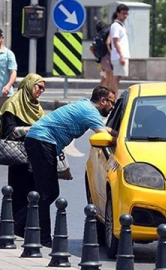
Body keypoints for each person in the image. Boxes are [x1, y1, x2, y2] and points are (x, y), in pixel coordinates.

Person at [24, 85, 118, 247]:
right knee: (46, 193)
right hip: (42, 141)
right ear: (103, 101)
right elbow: (103, 134)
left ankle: (17, 224)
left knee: (50, 192)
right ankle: (43, 238)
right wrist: (121, 141)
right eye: (112, 102)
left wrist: (120, 133)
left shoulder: (86, 106)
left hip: (42, 141)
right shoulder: (90, 111)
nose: (113, 107)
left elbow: (106, 129)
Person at [0, 73, 45, 236]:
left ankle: (24, 228)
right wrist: (31, 130)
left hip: (34, 158)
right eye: (38, 87)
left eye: (43, 89)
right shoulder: (12, 104)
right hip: (18, 158)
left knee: (34, 194)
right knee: (17, 194)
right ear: (29, 84)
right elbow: (8, 131)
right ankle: (11, 228)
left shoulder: (37, 107)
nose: (41, 91)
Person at [110, 4, 130, 96]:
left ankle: (114, 96)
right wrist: (121, 55)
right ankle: (113, 98)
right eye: (123, 13)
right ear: (118, 13)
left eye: (126, 14)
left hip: (121, 55)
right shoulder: (116, 25)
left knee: (118, 77)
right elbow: (115, 41)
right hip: (119, 56)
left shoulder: (121, 25)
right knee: (116, 78)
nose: (125, 15)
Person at [89, 22, 113, 89]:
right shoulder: (105, 35)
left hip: (98, 61)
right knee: (108, 78)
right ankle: (103, 92)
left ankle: (100, 90)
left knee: (103, 77)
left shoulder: (97, 37)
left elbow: (91, 48)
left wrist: (96, 55)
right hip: (105, 59)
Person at [0, 28, 17, 97]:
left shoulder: (8, 54)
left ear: (2, 38)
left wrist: (8, 86)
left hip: (4, 94)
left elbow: (13, 72)